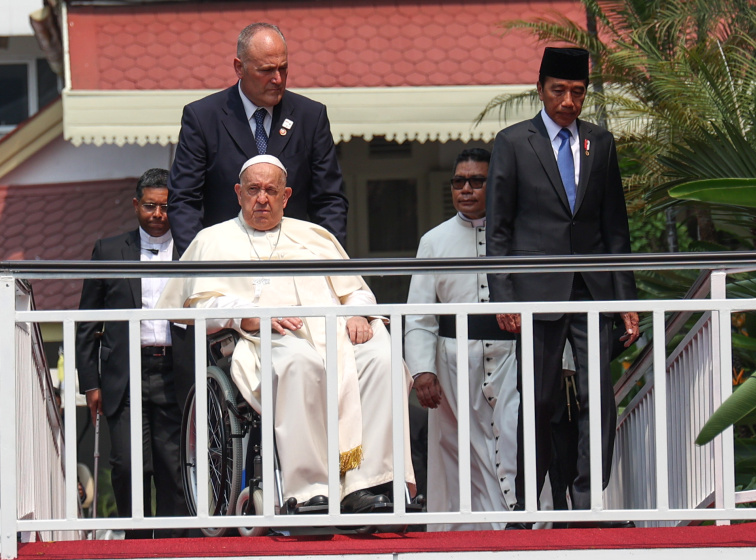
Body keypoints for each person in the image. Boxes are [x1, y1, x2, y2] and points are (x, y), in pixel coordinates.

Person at [158, 155, 415, 513]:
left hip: (334, 336)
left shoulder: (314, 236)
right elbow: (195, 306)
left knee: (381, 356)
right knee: (299, 361)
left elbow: (355, 288)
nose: (261, 198)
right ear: (238, 193)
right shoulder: (212, 241)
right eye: (253, 190)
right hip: (262, 342)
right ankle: (310, 489)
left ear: (286, 195)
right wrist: (244, 317)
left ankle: (365, 482)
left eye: (271, 190)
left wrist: (358, 311)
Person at [486, 47, 639, 523]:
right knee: (538, 399)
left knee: (598, 397)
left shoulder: (601, 142)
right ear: (541, 89)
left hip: (593, 289)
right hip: (534, 290)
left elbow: (616, 228)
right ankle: (529, 504)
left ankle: (590, 500)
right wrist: (503, 295)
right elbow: (499, 229)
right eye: (559, 91)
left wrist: (625, 299)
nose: (568, 102)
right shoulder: (513, 142)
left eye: (577, 92)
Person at [405, 148, 518, 531]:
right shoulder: (433, 241)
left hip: (511, 360)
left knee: (515, 443)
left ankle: (523, 533)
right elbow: (420, 315)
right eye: (458, 182)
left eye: (476, 181)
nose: (466, 189)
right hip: (454, 365)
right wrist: (422, 371)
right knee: (457, 455)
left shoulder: (518, 234)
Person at [76, 168, 192, 538]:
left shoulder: (193, 249)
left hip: (176, 372)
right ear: (135, 205)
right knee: (127, 465)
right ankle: (136, 543)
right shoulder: (108, 250)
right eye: (150, 206)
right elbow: (86, 324)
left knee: (173, 467)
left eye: (166, 207)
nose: (158, 215)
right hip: (125, 374)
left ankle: (174, 546)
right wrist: (90, 384)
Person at [168, 22, 348, 254]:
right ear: (239, 68)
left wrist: (327, 263)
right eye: (266, 70)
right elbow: (184, 201)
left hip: (295, 262)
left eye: (283, 68)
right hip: (224, 264)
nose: (278, 79)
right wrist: (200, 266)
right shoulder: (203, 118)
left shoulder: (310, 117)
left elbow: (329, 200)